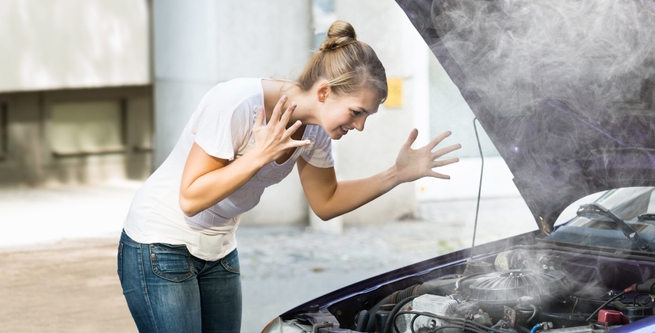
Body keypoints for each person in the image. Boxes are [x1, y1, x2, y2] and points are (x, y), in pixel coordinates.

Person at [117, 20, 460, 333]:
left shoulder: (318, 132)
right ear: (324, 92)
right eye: (356, 112)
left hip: (218, 248)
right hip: (159, 244)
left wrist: (397, 174)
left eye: (366, 116)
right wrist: (259, 155)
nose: (359, 125)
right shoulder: (236, 104)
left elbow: (326, 202)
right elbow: (190, 198)